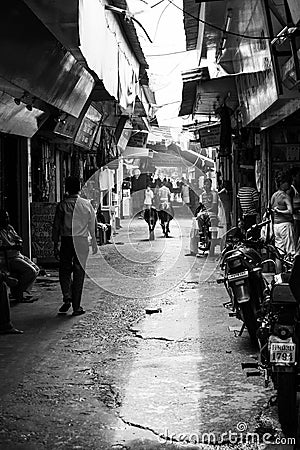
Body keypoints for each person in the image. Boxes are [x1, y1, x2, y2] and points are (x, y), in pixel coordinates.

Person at [52, 176, 98, 316]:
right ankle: (76, 307)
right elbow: (92, 225)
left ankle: (67, 295)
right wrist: (94, 241)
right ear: (79, 188)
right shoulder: (86, 204)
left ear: (66, 188)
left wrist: (55, 244)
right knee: (79, 272)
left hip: (66, 240)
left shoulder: (62, 205)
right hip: (81, 241)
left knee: (64, 270)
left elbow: (56, 226)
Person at [0, 209, 39, 302]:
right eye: (4, 218)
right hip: (8, 258)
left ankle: (20, 290)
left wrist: (17, 244)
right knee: (31, 271)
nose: (7, 219)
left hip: (17, 254)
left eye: (7, 217)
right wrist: (12, 246)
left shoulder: (9, 228)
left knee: (36, 269)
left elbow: (19, 239)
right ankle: (18, 292)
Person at [270, 170, 295, 258]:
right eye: (287, 182)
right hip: (285, 225)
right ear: (282, 183)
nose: (289, 185)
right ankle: (291, 271)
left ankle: (278, 272)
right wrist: (280, 212)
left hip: (276, 225)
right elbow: (290, 211)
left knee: (279, 253)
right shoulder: (284, 196)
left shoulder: (274, 196)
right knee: (290, 251)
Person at [288, 167, 300, 250]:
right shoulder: (291, 189)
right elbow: (289, 204)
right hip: (295, 218)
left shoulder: (296, 188)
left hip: (298, 217)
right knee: (296, 238)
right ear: (294, 177)